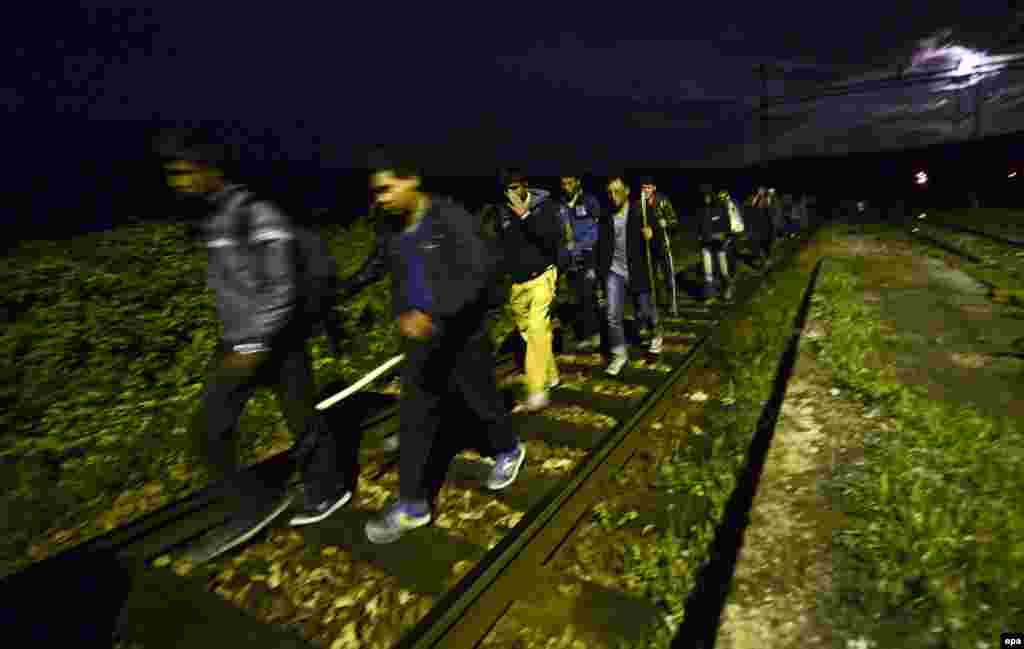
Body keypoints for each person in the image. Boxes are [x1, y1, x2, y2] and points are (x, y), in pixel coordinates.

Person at [156, 131, 350, 562]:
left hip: (268, 341)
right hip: (243, 339)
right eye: (173, 174)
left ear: (209, 170)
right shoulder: (215, 215)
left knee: (214, 428)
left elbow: (281, 286)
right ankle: (279, 496)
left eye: (185, 173)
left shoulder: (256, 212)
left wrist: (253, 342)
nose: (179, 182)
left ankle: (286, 498)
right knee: (276, 419)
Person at [338, 154, 526, 544]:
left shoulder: (451, 219)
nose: (382, 198)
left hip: (462, 335)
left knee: (481, 401)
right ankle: (413, 505)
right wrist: (342, 289)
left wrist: (434, 311)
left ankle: (509, 449)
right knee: (415, 413)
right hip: (422, 340)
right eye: (377, 192)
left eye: (388, 189)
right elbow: (378, 264)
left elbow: (478, 276)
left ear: (412, 182)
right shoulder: (391, 227)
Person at [495, 170, 565, 412]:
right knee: (530, 332)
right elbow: (502, 246)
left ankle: (537, 389)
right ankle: (552, 374)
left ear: (525, 185)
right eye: (507, 189)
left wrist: (526, 216)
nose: (511, 193)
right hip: (518, 284)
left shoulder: (544, 207)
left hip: (542, 276)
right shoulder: (501, 211)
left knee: (536, 330)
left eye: (515, 187)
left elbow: (551, 240)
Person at [597, 175, 665, 377]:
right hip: (614, 272)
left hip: (638, 270)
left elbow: (659, 245)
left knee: (644, 310)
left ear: (626, 191)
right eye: (609, 192)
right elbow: (601, 246)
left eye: (617, 191)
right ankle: (619, 355)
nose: (613, 196)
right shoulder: (606, 215)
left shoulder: (641, 212)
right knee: (612, 315)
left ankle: (656, 334)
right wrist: (600, 273)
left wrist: (652, 236)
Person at [558, 174, 603, 351]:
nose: (566, 187)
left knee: (589, 296)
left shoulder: (589, 201)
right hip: (570, 260)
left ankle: (597, 335)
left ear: (577, 183)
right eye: (563, 184)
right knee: (577, 298)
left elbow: (596, 231)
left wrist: (577, 247)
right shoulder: (561, 204)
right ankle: (586, 334)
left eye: (569, 183)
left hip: (588, 256)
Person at [637, 176, 680, 317]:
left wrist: (666, 223)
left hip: (663, 244)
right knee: (652, 277)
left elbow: (674, 221)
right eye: (643, 187)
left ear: (654, 188)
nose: (645, 190)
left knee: (668, 275)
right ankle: (656, 303)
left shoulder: (662, 201)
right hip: (648, 247)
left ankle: (672, 303)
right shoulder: (639, 204)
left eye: (648, 187)